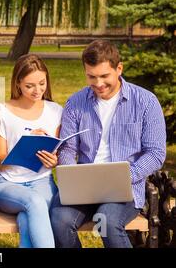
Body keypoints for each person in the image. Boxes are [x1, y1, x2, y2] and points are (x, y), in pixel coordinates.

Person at [50, 40, 166, 248]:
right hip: (83, 186)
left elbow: (156, 153)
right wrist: (70, 173)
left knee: (108, 221)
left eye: (104, 76)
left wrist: (126, 176)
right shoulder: (75, 103)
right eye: (91, 77)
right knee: (60, 220)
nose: (99, 83)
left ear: (118, 68)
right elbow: (68, 148)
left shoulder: (146, 102)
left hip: (125, 187)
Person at [0, 54, 61, 248]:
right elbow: (0, 160)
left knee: (26, 218)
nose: (37, 90)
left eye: (42, 83)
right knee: (35, 202)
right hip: (8, 184)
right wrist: (25, 145)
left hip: (43, 180)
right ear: (18, 83)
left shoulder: (55, 111)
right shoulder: (2, 111)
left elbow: (57, 151)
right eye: (29, 86)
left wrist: (53, 161)